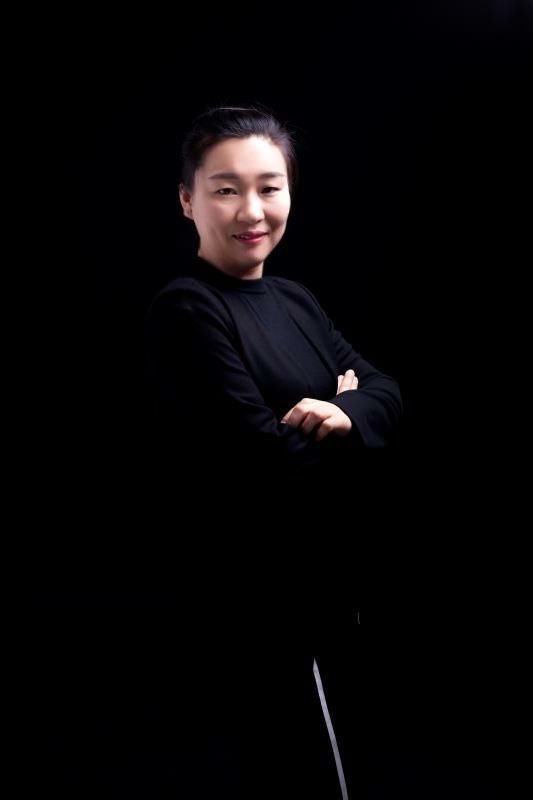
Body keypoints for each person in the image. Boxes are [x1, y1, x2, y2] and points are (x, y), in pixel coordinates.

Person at [142, 105, 403, 798]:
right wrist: (350, 421)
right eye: (226, 189)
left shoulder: (295, 300)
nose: (251, 210)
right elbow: (260, 463)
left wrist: (344, 411)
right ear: (187, 200)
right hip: (261, 608)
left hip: (337, 585)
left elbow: (386, 392)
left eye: (269, 186)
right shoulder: (188, 309)